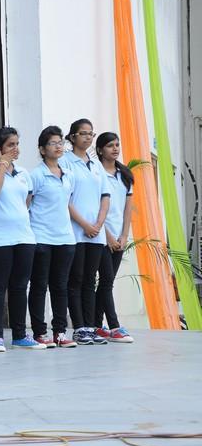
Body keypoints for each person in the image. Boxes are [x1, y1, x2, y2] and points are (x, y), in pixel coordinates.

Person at [0, 127, 44, 352]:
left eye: (17, 144)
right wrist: (2, 165)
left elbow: (27, 201)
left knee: (19, 287)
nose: (16, 149)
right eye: (10, 145)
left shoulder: (23, 173)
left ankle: (19, 335)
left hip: (23, 236)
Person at [60, 119, 110, 345]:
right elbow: (66, 198)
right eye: (83, 133)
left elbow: (105, 197)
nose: (88, 137)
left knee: (90, 280)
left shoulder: (96, 165)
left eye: (91, 133)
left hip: (96, 233)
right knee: (76, 278)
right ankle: (79, 327)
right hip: (75, 232)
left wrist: (98, 224)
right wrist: (85, 225)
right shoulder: (65, 162)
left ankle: (90, 326)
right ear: (72, 137)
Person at [27, 126, 78, 348]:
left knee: (60, 286)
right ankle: (40, 332)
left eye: (60, 143)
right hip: (41, 237)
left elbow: (67, 203)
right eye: (52, 143)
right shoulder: (36, 175)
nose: (58, 147)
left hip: (65, 238)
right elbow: (26, 205)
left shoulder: (68, 175)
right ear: (42, 149)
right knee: (39, 286)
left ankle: (60, 332)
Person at [93, 132, 135, 343]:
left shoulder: (124, 174)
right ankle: (115, 326)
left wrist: (124, 235)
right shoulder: (95, 173)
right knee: (107, 281)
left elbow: (128, 208)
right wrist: (107, 235)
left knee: (106, 282)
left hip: (119, 237)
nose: (115, 148)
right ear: (100, 150)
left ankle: (95, 325)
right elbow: (94, 206)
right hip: (100, 237)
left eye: (117, 144)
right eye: (110, 145)